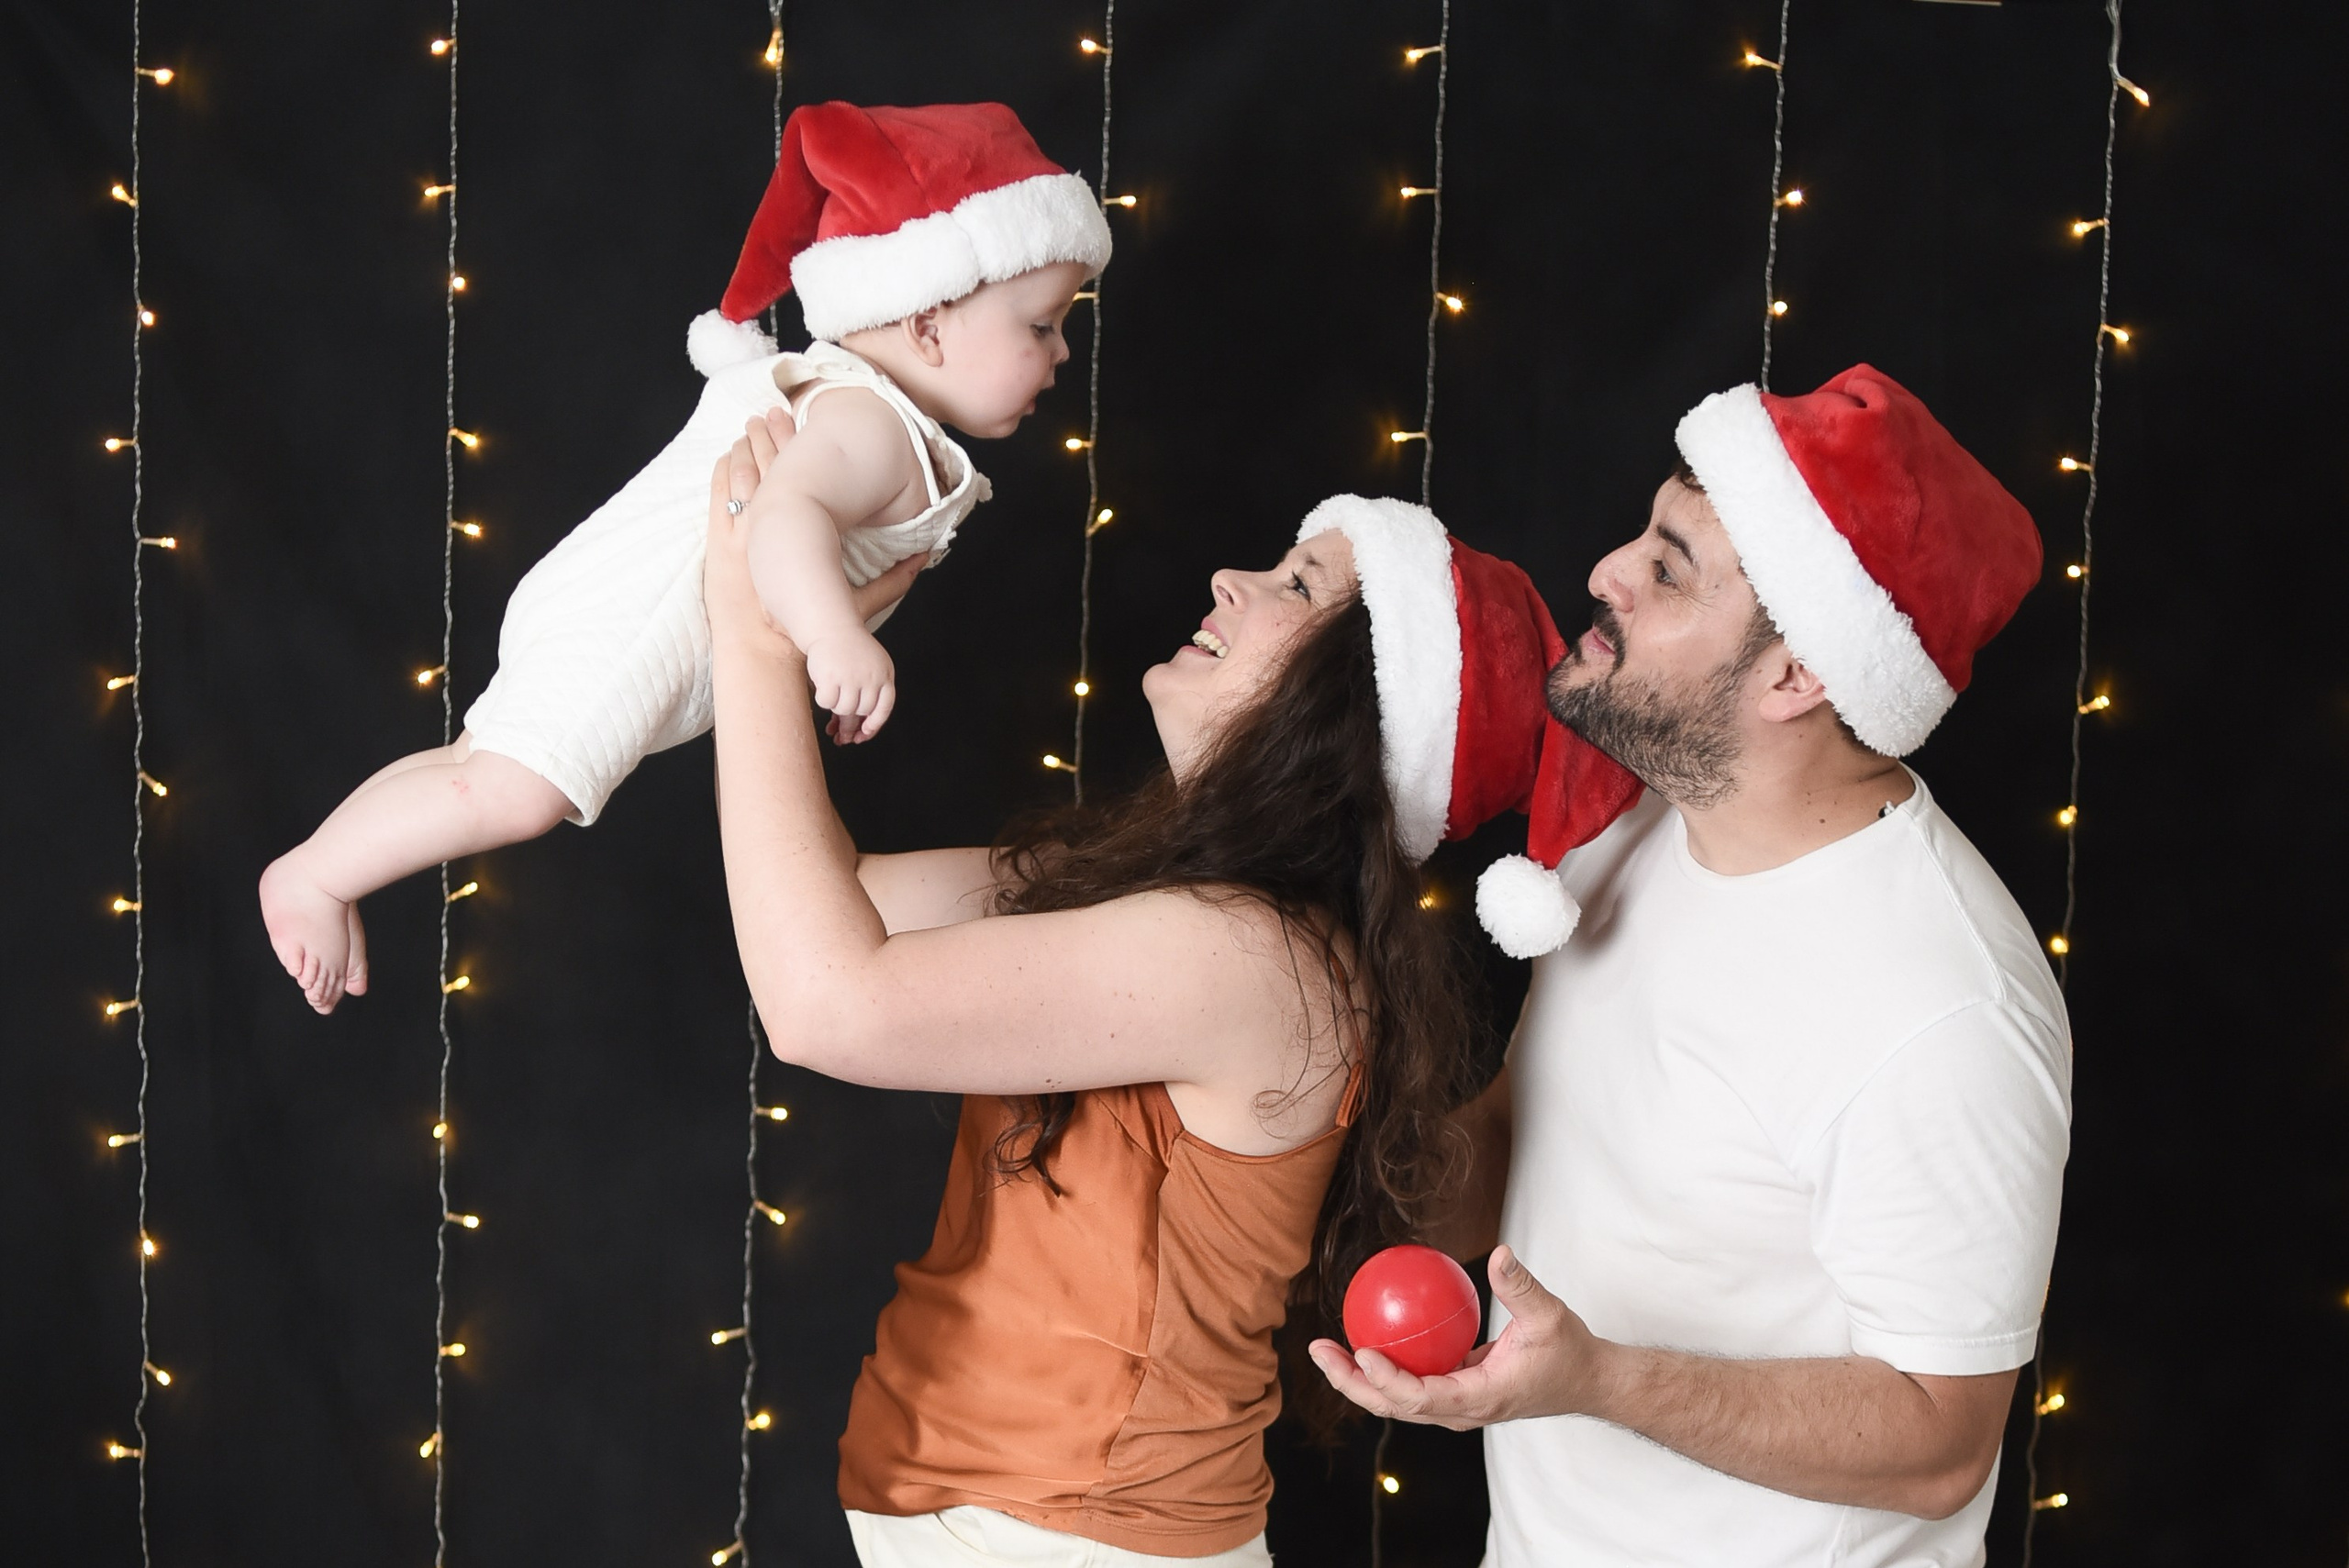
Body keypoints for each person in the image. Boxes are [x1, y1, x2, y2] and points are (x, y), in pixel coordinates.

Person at [704, 419, 1639, 1568]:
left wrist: (752, 638)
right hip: (989, 1520)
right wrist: (810, 610)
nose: (1230, 580)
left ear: (1353, 706)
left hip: (1083, 1540)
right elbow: (828, 898)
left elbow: (822, 1003)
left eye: (1297, 582)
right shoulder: (1144, 892)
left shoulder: (1256, 957)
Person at [1310, 365, 2072, 1568]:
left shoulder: (1941, 1007)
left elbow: (1941, 1445)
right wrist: (1314, 1165)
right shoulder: (1639, 828)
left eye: (1669, 569)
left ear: (1799, 674)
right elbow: (1528, 1129)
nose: (1607, 571)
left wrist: (1597, 1379)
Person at [258, 101, 1110, 1013]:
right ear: (932, 321)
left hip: (605, 596)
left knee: (476, 764)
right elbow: (781, 518)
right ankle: (312, 876)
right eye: (1042, 325)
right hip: (635, 621)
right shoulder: (869, 421)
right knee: (514, 792)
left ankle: (322, 862)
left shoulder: (865, 405)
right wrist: (833, 639)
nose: (1061, 354)